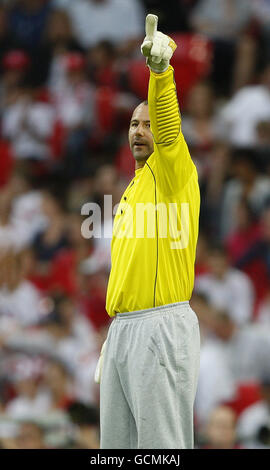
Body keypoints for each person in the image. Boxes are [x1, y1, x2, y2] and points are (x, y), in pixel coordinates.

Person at [98, 14, 201, 449]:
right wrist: (114, 334)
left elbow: (168, 121)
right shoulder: (135, 185)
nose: (140, 131)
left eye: (148, 125)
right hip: (124, 330)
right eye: (134, 124)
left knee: (163, 451)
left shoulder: (173, 172)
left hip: (160, 326)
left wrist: (160, 74)